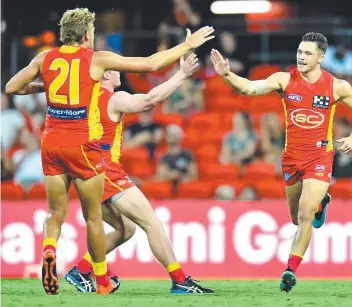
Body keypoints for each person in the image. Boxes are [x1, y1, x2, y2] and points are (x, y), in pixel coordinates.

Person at [5, 8, 215, 295]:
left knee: (113, 226)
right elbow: (151, 71)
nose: (115, 72)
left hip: (52, 143)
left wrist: (48, 86)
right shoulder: (106, 84)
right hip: (96, 161)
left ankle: (75, 265)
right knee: (139, 220)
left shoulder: (46, 58)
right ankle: (173, 280)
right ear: (86, 35)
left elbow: (11, 87)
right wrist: (186, 50)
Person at [210, 32, 352, 292]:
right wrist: (226, 74)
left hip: (320, 157)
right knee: (296, 219)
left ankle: (290, 270)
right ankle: (322, 203)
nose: (301, 56)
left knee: (304, 214)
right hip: (291, 159)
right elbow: (250, 88)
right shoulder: (284, 80)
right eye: (299, 51)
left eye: (308, 53)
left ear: (321, 57)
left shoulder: (336, 86)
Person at [64, 53, 213, 294]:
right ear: (106, 74)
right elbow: (150, 100)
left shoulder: (83, 96)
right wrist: (182, 74)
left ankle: (81, 269)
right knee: (150, 222)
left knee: (127, 229)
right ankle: (180, 280)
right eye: (116, 67)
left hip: (84, 171)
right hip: (105, 168)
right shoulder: (114, 98)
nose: (120, 71)